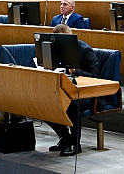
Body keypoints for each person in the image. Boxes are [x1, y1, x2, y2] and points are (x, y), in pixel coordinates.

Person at [45, 24, 99, 157]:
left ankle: (75, 143)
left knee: (71, 105)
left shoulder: (85, 50)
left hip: (89, 94)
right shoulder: (54, 49)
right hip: (64, 89)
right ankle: (65, 137)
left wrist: (76, 71)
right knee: (44, 103)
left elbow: (95, 75)